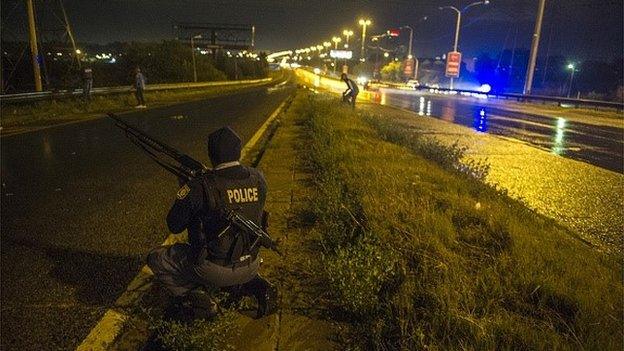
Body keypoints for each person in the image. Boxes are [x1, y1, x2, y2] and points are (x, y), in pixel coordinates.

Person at [147, 126, 277, 321]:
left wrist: (185, 190)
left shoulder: (200, 185)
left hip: (213, 268)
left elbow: (174, 225)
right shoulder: (258, 178)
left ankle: (202, 303)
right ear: (239, 151)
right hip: (252, 262)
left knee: (156, 257)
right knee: (234, 247)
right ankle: (257, 285)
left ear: (211, 154)